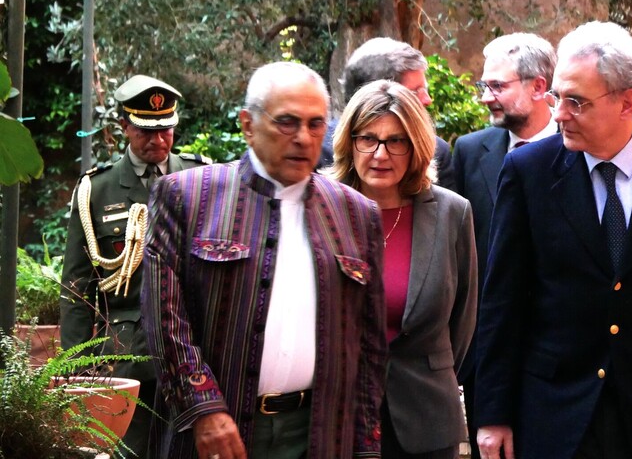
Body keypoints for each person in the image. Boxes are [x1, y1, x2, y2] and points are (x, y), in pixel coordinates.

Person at [476, 21, 632, 459]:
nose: (558, 114)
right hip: (554, 417)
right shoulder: (528, 172)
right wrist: (493, 413)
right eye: (556, 97)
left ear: (627, 103)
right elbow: (502, 302)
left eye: (576, 102)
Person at [141, 61, 387, 459]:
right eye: (287, 122)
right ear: (247, 124)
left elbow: (370, 346)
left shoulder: (356, 214)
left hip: (320, 435)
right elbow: (166, 320)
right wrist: (203, 409)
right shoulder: (188, 197)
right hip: (218, 435)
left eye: (316, 124)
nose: (304, 138)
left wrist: (366, 445)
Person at [60, 74, 212, 459]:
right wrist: (78, 372)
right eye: (146, 131)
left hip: (193, 349)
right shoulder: (98, 190)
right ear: (124, 127)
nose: (158, 140)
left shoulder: (202, 178)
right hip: (125, 358)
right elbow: (78, 286)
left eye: (166, 130)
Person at [330, 80, 477, 459]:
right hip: (338, 416)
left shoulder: (452, 213)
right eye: (368, 139)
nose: (381, 154)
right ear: (350, 141)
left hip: (426, 420)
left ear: (416, 148)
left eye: (396, 141)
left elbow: (462, 321)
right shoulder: (323, 209)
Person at [451, 33, 558, 459]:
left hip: (563, 359)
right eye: (483, 86)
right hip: (488, 357)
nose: (485, 98)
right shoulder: (469, 150)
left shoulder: (579, 149)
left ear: (538, 86)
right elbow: (458, 255)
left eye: (497, 87)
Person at [319, 37, 455, 191]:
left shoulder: (437, 152)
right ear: (380, 93)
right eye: (415, 92)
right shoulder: (317, 151)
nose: (427, 100)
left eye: (397, 141)